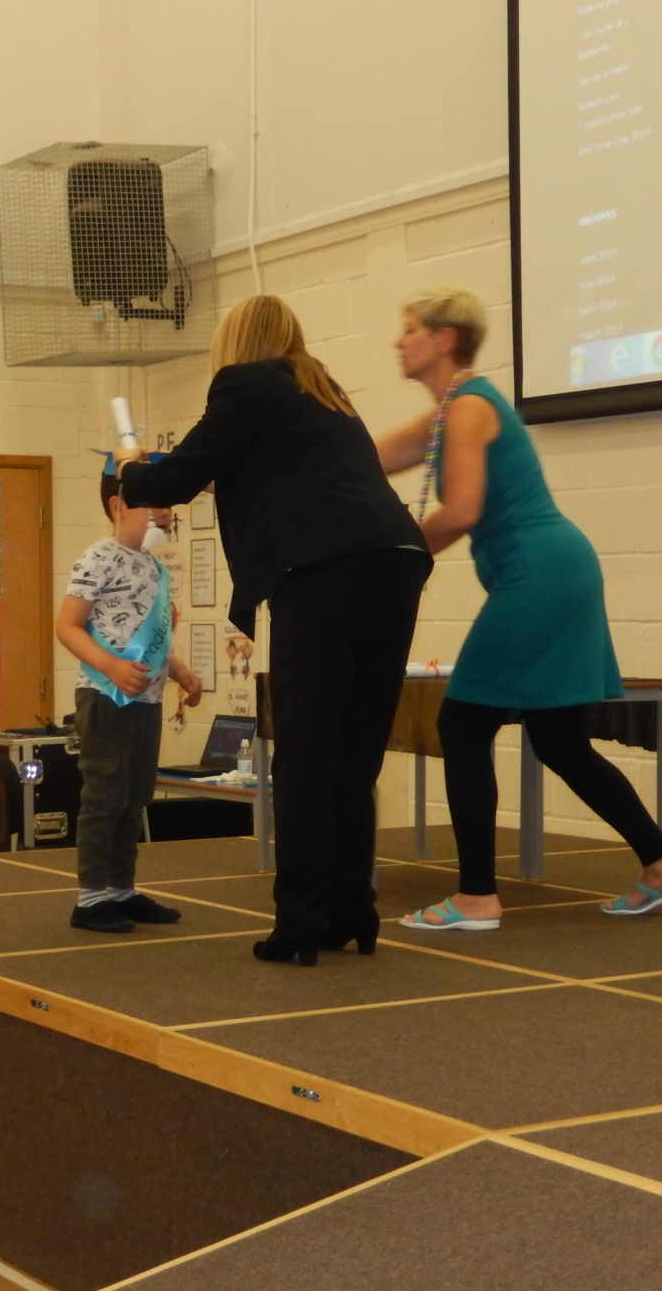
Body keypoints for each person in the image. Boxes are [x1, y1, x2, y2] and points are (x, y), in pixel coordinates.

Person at [119, 295, 431, 966]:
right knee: (354, 756)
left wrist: (130, 469)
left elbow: (173, 479)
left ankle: (300, 924)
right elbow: (271, 473)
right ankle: (351, 910)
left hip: (325, 572)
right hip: (397, 560)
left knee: (306, 754)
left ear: (236, 342)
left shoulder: (246, 382)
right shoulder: (325, 392)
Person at [378, 288, 662, 929]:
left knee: (463, 726)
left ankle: (476, 897)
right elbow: (362, 460)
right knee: (560, 741)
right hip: (555, 569)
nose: (398, 341)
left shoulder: (469, 408)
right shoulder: (450, 414)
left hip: (539, 573)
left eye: (409, 329)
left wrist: (397, 561)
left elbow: (462, 511)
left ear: (444, 338)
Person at [56, 473, 204, 931]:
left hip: (146, 699)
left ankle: (121, 889)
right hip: (106, 696)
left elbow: (148, 638)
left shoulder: (154, 567)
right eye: (153, 504)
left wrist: (180, 672)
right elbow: (67, 626)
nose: (164, 513)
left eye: (168, 505)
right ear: (118, 507)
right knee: (104, 796)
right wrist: (112, 667)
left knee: (135, 796)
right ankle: (90, 898)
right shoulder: (99, 557)